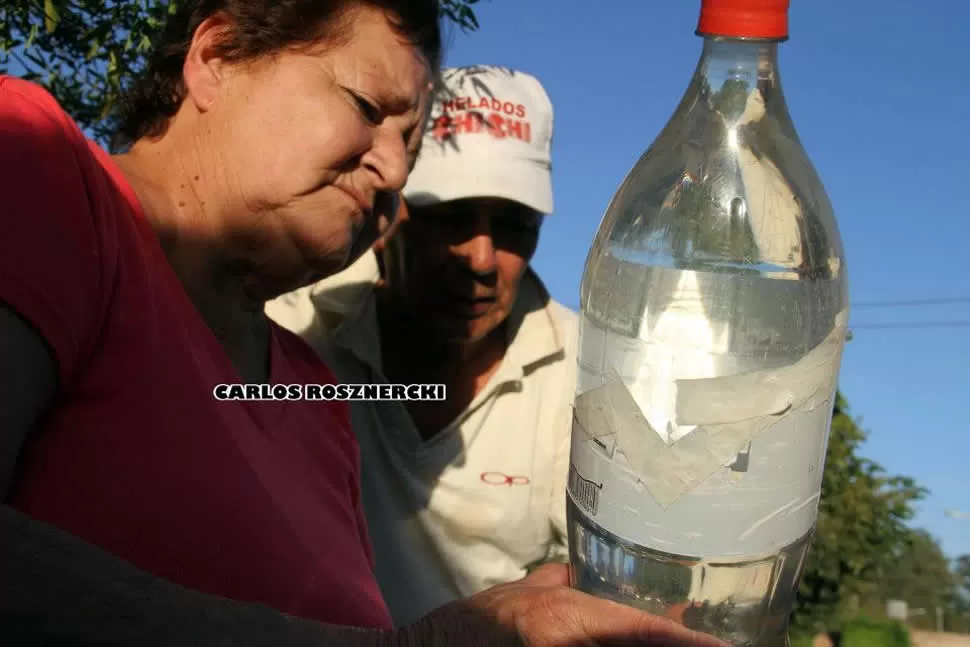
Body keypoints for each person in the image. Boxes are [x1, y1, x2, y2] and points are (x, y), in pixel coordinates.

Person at [0, 0, 727, 645]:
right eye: (367, 108)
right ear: (216, 55)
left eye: (410, 145)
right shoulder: (37, 167)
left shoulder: (311, 396)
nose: (391, 168)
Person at [266, 64, 578, 627]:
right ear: (391, 207)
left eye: (514, 225)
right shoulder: (294, 329)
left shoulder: (582, 374)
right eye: (451, 217)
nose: (481, 260)